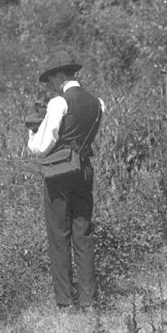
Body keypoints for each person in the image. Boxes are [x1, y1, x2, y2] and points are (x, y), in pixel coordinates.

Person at [27, 48, 105, 311]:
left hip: (59, 173)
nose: (50, 84)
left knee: (59, 235)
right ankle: (89, 300)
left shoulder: (58, 103)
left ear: (60, 75)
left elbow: (42, 146)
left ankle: (65, 302)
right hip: (84, 170)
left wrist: (31, 134)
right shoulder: (98, 103)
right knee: (83, 232)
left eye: (51, 78)